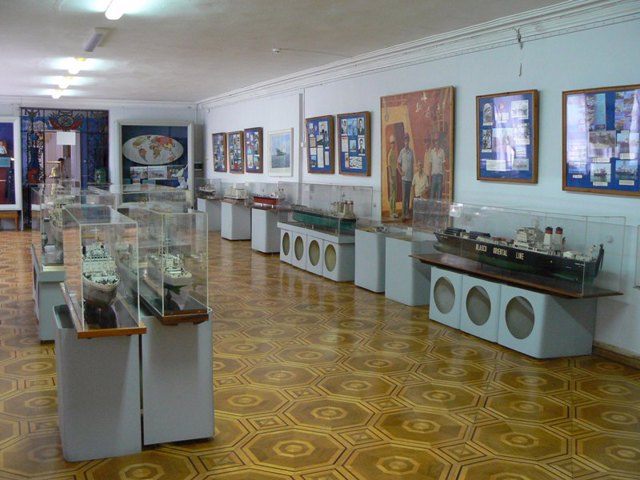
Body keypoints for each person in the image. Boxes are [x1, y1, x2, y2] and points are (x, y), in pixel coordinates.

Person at [398, 133, 414, 220]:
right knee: (404, 197)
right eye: (405, 141)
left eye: (407, 140)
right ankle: (403, 214)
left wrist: (412, 177)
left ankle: (407, 213)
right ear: (404, 142)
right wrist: (401, 172)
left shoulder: (411, 152)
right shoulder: (402, 152)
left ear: (409, 141)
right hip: (404, 179)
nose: (406, 142)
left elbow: (412, 165)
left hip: (410, 178)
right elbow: (398, 164)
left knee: (408, 196)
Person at [386, 135, 398, 218]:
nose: (393, 144)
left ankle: (394, 211)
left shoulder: (394, 153)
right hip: (392, 176)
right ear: (390, 144)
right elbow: (389, 166)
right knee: (392, 195)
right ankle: (391, 212)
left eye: (394, 143)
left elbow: (395, 165)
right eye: (391, 143)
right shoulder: (390, 154)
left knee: (395, 194)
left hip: (395, 175)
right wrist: (390, 178)